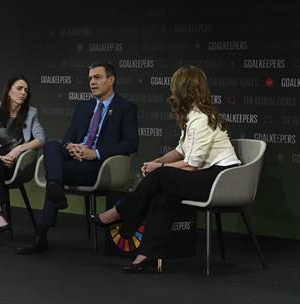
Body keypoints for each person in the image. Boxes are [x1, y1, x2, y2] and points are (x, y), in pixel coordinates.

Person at [90, 66, 241, 273]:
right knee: (163, 195)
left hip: (222, 178)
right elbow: (180, 151)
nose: (171, 91)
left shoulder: (201, 120)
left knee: (161, 175)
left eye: (174, 87)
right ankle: (146, 255)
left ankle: (119, 213)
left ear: (183, 89)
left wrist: (158, 167)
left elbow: (191, 164)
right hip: (208, 175)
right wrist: (157, 160)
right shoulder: (193, 116)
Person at [16, 62, 139, 254]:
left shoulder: (126, 108)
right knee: (51, 145)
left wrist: (95, 153)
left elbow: (131, 143)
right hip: (74, 158)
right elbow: (67, 137)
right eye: (90, 78)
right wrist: (70, 146)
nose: (92, 82)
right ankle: (55, 187)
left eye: (97, 77)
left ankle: (41, 235)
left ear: (111, 80)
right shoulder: (83, 107)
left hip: (98, 166)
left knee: (55, 174)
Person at [0, 76, 45, 239]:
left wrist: (20, 148)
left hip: (12, 164)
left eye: (26, 90)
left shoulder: (31, 113)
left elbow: (41, 139)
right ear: (9, 91)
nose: (23, 93)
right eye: (19, 88)